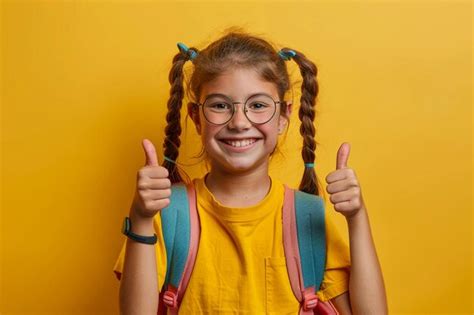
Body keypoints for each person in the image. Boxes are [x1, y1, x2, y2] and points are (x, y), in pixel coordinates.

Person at [113, 29, 388, 314]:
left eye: (257, 105)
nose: (239, 122)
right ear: (196, 118)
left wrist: (356, 217)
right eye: (220, 105)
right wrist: (141, 219)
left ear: (283, 117)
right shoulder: (168, 214)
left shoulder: (307, 217)